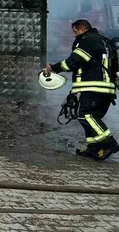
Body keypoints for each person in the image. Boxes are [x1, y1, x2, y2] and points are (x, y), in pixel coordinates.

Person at [45, 19, 119, 160]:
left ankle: (110, 143)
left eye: (75, 31)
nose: (73, 35)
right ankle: (93, 149)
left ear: (82, 29)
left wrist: (53, 68)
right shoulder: (105, 42)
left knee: (86, 115)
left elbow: (74, 61)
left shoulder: (87, 40)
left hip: (93, 86)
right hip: (106, 89)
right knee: (92, 118)